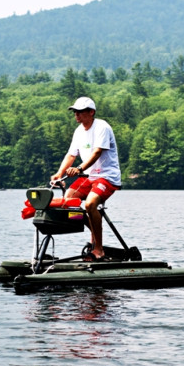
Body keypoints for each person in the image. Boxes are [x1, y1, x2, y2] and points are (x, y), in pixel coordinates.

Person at [51, 96, 122, 261]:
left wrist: (80, 168)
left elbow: (97, 152)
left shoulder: (102, 127)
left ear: (91, 112)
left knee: (90, 204)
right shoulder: (78, 131)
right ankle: (93, 230)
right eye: (75, 112)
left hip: (107, 176)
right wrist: (59, 173)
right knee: (68, 201)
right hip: (89, 177)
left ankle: (98, 249)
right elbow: (71, 154)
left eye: (80, 112)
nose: (76, 115)